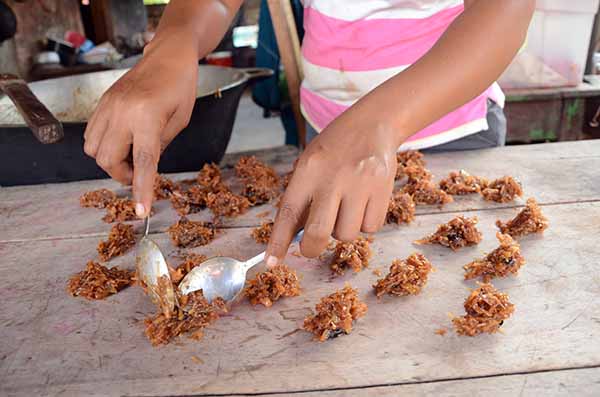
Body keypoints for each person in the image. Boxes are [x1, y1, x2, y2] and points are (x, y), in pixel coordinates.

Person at [83, 0, 535, 268]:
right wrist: (174, 42)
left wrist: (384, 122)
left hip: (450, 132)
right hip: (329, 137)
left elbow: (505, 10)